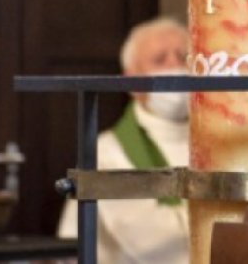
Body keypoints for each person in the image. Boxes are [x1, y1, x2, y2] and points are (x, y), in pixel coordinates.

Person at [58, 18, 190, 264]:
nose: (175, 66)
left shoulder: (218, 143)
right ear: (131, 80)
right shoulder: (107, 153)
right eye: (160, 59)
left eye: (184, 57)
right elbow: (154, 244)